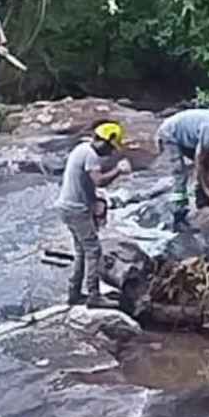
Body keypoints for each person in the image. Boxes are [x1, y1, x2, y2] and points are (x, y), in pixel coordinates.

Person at [56, 121, 132, 308]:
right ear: (105, 141)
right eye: (111, 148)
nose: (111, 153)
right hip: (76, 210)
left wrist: (96, 202)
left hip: (67, 207)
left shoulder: (81, 148)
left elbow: (85, 185)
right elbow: (99, 181)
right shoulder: (91, 155)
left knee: (81, 252)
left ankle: (74, 294)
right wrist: (119, 170)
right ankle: (94, 296)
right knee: (94, 251)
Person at [155, 105, 209, 234]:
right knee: (180, 175)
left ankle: (204, 198)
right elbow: (199, 160)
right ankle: (178, 217)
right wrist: (204, 188)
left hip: (186, 136)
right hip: (170, 134)